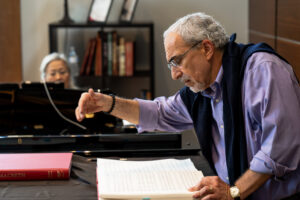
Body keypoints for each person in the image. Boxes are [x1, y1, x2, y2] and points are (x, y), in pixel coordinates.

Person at [75, 12, 300, 200]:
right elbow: (160, 112)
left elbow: (280, 149)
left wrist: (234, 191)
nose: (174, 75)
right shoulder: (202, 91)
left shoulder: (263, 70)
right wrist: (107, 103)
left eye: (177, 61)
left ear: (206, 48)